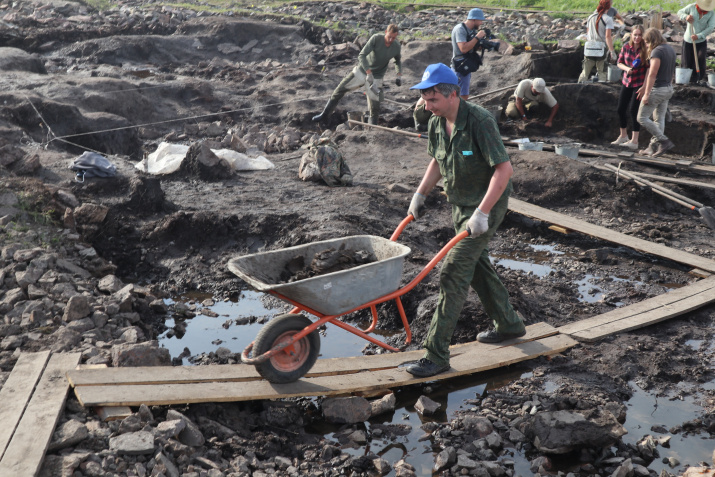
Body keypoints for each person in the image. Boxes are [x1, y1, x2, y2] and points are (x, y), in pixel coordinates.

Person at [404, 63, 526, 378]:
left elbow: (504, 170)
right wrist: (420, 194)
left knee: (454, 271)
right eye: (424, 99)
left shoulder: (480, 121)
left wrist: (483, 213)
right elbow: (437, 160)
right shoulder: (436, 122)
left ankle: (435, 355)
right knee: (477, 267)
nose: (427, 106)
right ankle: (509, 324)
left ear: (453, 95)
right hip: (460, 205)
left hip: (488, 205)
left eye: (432, 99)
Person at [312, 24, 402, 125]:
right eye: (389, 37)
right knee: (339, 90)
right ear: (386, 32)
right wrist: (368, 72)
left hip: (377, 77)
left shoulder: (396, 46)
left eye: (393, 38)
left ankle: (373, 128)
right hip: (362, 70)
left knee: (374, 106)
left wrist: (398, 74)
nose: (390, 40)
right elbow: (362, 55)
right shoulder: (376, 39)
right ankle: (325, 115)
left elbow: (397, 61)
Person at [636, 28, 676, 157]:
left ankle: (664, 141)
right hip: (668, 88)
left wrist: (647, 94)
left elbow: (652, 74)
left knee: (641, 118)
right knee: (659, 119)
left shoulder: (657, 51)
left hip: (658, 89)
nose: (647, 45)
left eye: (647, 42)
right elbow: (671, 71)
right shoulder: (670, 49)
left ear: (652, 40)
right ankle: (652, 148)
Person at [611, 25, 647, 150]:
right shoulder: (626, 47)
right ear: (631, 35)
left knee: (633, 110)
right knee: (620, 109)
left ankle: (634, 141)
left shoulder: (645, 49)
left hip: (639, 83)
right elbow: (619, 62)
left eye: (640, 35)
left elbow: (649, 69)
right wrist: (627, 69)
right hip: (627, 82)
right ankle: (623, 136)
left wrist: (645, 87)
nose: (637, 37)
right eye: (635, 35)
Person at [451, 8, 490, 99]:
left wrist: (479, 45)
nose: (481, 23)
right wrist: (477, 37)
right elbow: (463, 49)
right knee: (462, 96)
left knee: (463, 94)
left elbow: (470, 46)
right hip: (460, 67)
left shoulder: (471, 30)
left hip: (466, 65)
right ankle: (459, 108)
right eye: (480, 20)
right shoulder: (460, 29)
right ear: (473, 20)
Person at [578, 0, 616, 83]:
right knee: (601, 72)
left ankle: (578, 86)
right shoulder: (608, 19)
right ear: (609, 6)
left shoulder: (590, 17)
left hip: (589, 48)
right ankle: (601, 87)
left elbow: (588, 33)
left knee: (585, 73)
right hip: (601, 48)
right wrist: (612, 51)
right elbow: (608, 37)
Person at [677, 0, 715, 85]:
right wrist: (686, 17)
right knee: (687, 60)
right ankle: (685, 79)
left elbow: (711, 27)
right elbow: (679, 12)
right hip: (688, 40)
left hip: (700, 40)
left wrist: (699, 35)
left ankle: (697, 79)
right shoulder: (692, 7)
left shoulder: (711, 13)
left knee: (700, 58)